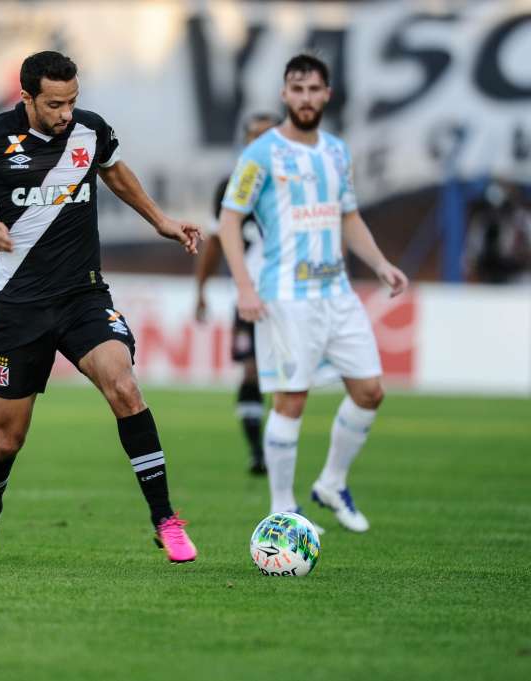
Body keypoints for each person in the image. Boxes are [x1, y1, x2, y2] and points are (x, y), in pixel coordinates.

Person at [0, 51, 203, 564]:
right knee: (7, 440)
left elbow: (114, 171)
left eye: (73, 102)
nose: (66, 114)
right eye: (54, 104)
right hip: (20, 307)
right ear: (27, 97)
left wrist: (160, 221)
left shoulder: (90, 130)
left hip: (83, 296)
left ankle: (165, 519)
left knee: (124, 387)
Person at [217, 54, 408, 533]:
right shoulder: (261, 153)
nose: (305, 98)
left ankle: (331, 482)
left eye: (313, 89)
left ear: (327, 94)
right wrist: (244, 286)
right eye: (296, 90)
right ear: (285, 95)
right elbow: (228, 220)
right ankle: (282, 507)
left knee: (370, 391)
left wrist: (381, 263)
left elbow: (349, 215)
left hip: (337, 291)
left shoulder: (337, 152)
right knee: (292, 400)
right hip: (286, 295)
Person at [195, 112, 279, 476]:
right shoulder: (230, 187)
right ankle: (258, 451)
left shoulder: (294, 184)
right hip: (248, 296)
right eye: (253, 137)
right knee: (252, 372)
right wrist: (200, 289)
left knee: (290, 379)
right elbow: (215, 241)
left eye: (268, 136)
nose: (259, 143)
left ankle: (279, 449)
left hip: (292, 294)